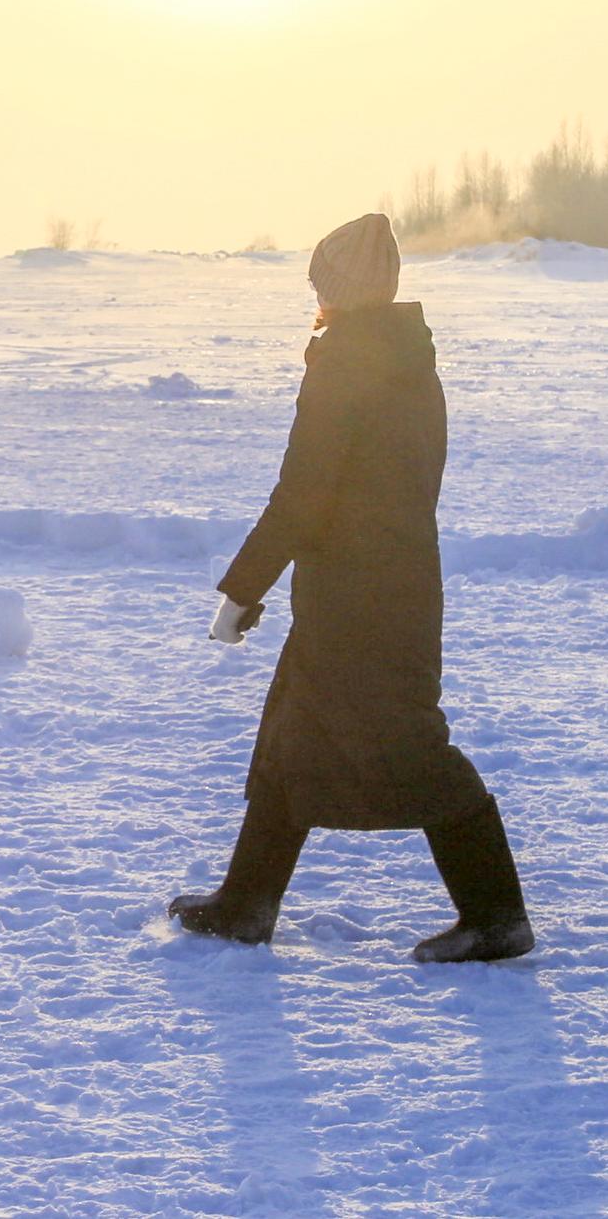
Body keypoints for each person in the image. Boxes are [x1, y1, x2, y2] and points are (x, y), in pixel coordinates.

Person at [169, 212, 534, 965]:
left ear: (338, 289)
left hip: (360, 599)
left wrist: (241, 591)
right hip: (387, 585)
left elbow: (303, 495)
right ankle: (246, 905)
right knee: (293, 735)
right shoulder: (409, 360)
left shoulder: (346, 364)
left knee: (411, 750)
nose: (317, 298)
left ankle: (498, 917)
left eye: (321, 284)